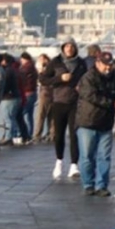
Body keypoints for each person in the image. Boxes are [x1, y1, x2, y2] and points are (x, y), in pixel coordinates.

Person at [76, 52, 115, 197]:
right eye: (105, 65)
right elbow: (92, 97)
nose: (108, 68)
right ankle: (88, 184)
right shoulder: (88, 78)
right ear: (97, 63)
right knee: (87, 156)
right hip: (87, 122)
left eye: (110, 65)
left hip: (106, 123)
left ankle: (102, 185)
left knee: (105, 156)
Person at [39, 37, 87, 179]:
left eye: (72, 46)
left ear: (75, 48)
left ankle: (74, 165)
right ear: (63, 48)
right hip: (59, 101)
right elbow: (43, 79)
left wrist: (82, 87)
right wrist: (59, 79)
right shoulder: (56, 62)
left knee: (74, 135)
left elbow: (87, 79)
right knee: (59, 135)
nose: (69, 49)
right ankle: (59, 161)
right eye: (66, 46)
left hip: (75, 102)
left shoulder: (81, 63)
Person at [33, 54, 54, 143]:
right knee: (51, 116)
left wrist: (41, 70)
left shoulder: (46, 70)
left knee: (41, 115)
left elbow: (42, 80)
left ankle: (38, 135)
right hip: (51, 93)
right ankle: (52, 134)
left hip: (46, 93)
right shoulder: (53, 68)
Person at [19, 52, 38, 140]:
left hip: (27, 93)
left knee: (21, 114)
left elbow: (21, 78)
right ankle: (30, 133)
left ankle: (22, 133)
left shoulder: (25, 68)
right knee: (29, 115)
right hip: (33, 92)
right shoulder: (33, 66)